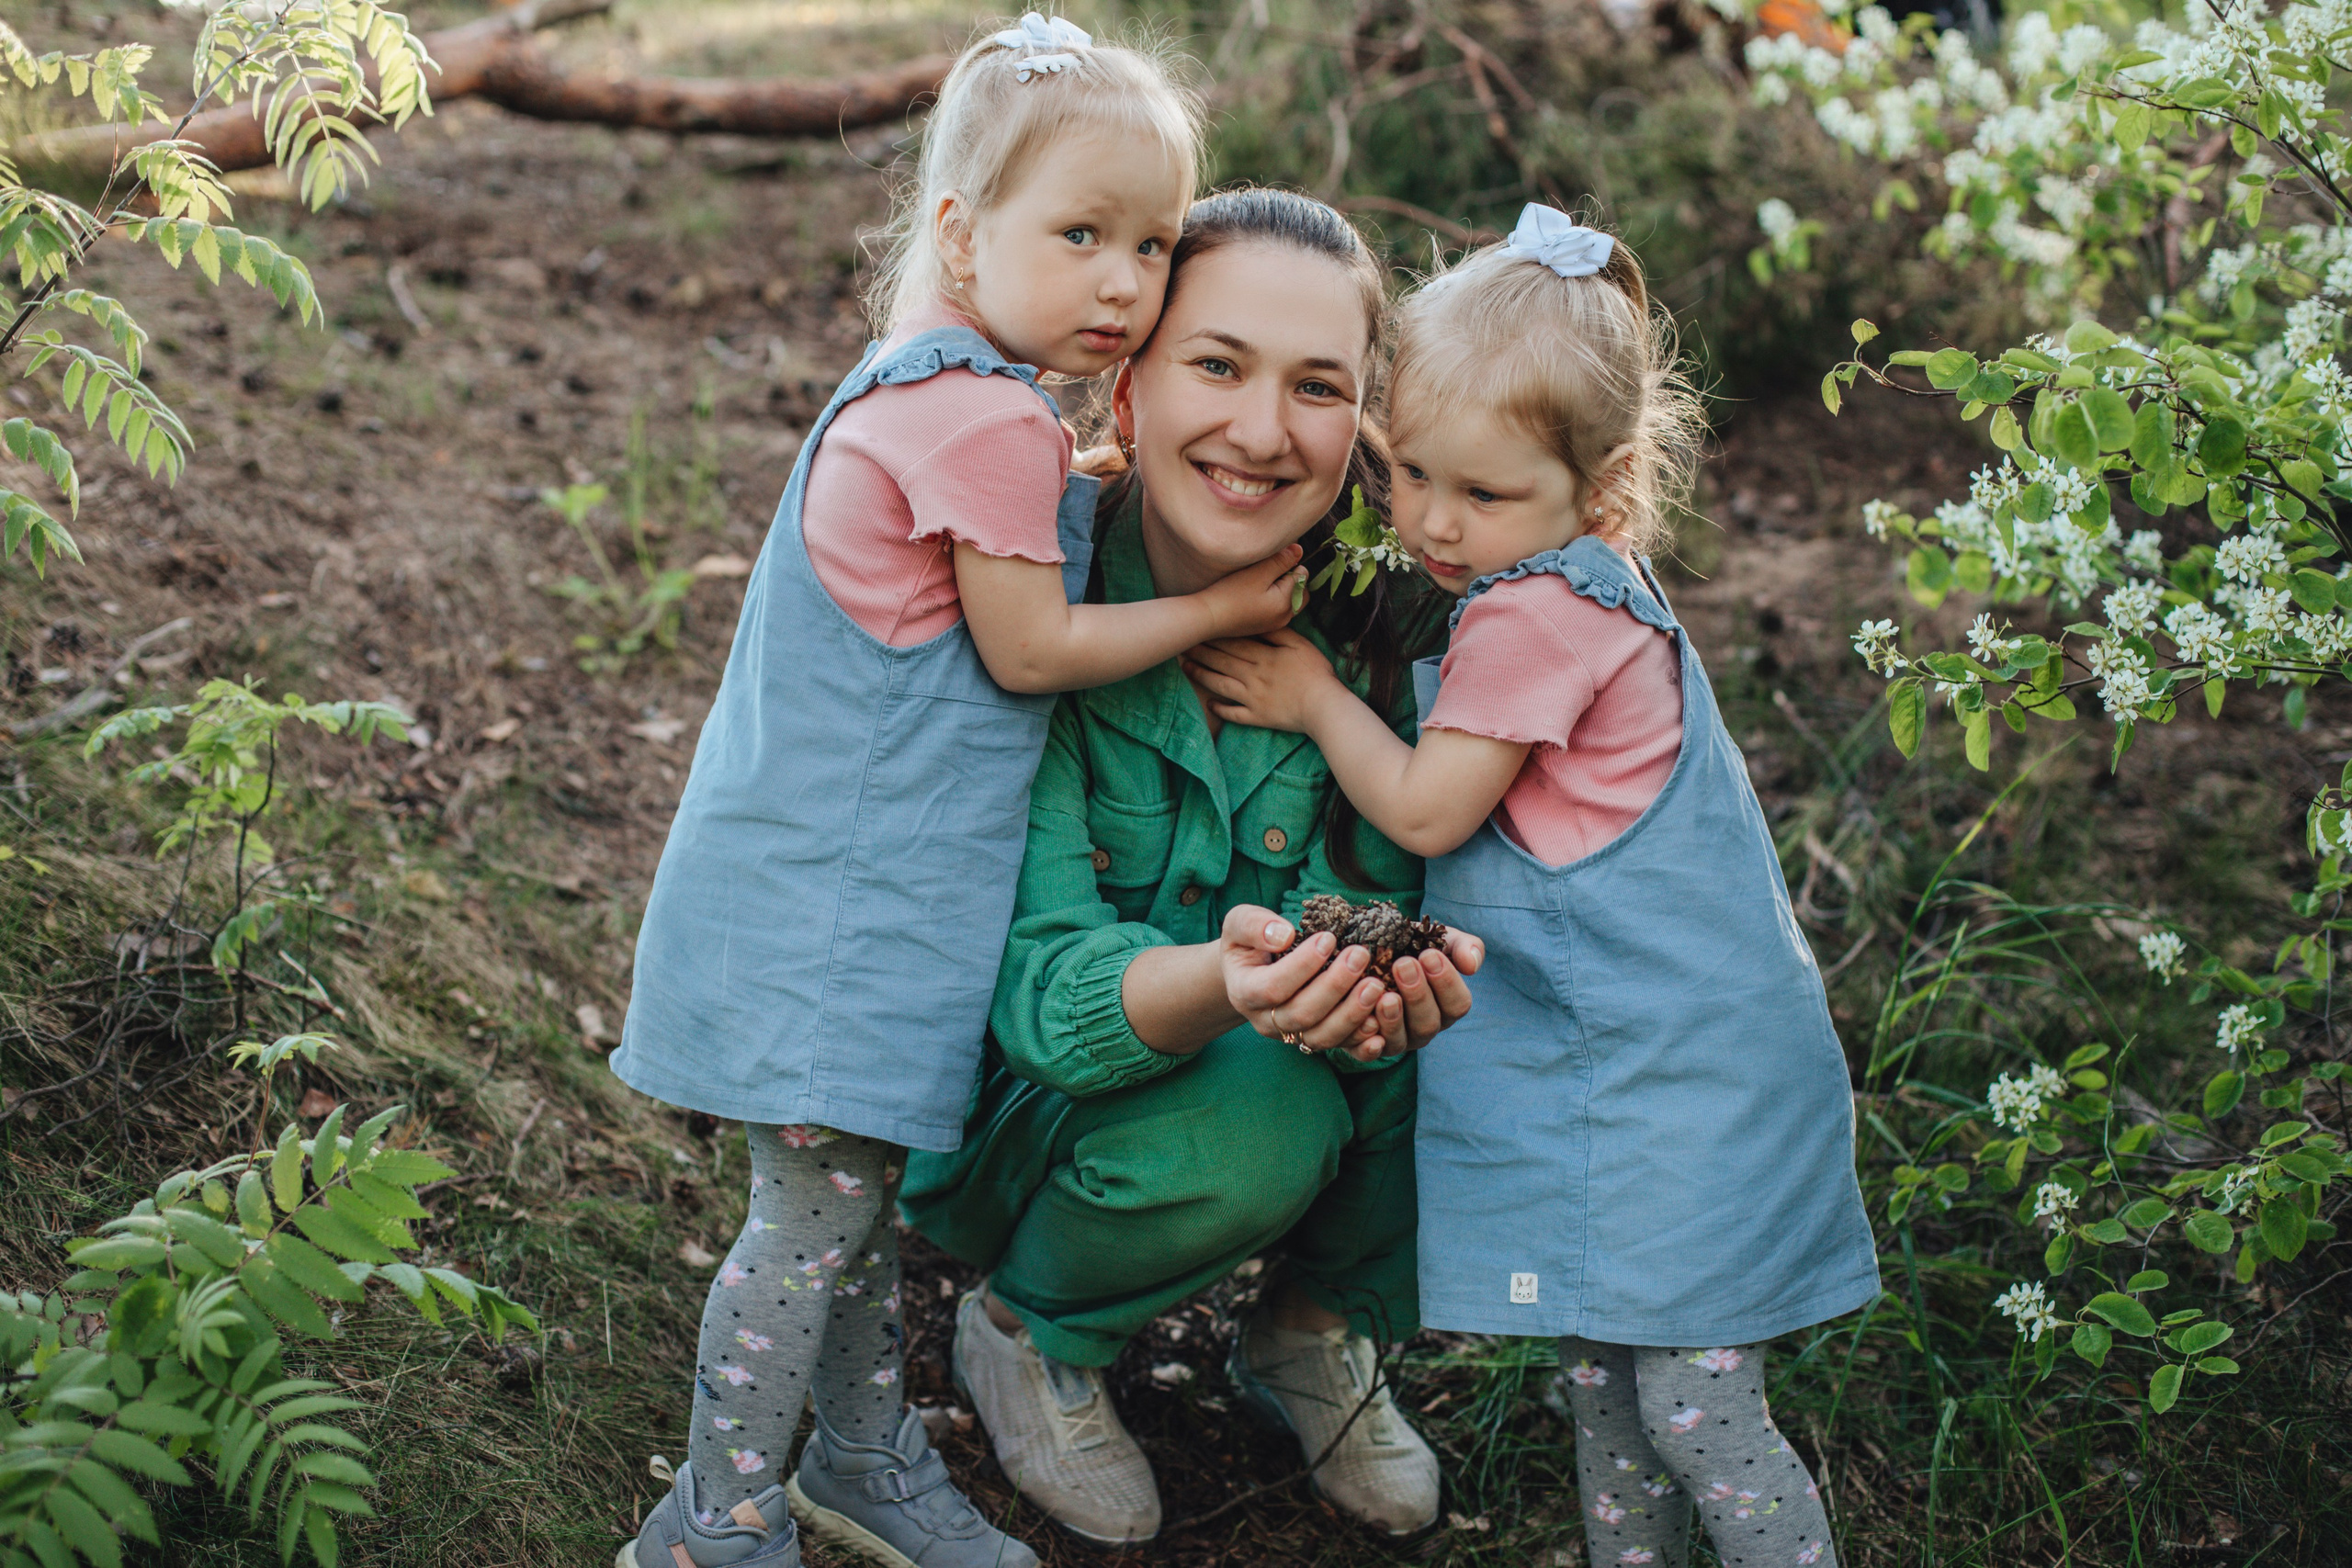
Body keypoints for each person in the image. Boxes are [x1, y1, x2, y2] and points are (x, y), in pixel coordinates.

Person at [610, 19, 1309, 1568]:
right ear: (957, 229)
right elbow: (1033, 640)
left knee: (842, 1215)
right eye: (1082, 236)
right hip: (843, 919)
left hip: (805, 886)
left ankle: (863, 1459)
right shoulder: (990, 419)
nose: (1126, 284)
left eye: (1151, 244)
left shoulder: (923, 383)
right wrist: (1222, 610)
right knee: (804, 1236)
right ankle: (707, 1526)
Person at [1186, 204, 1881, 1568]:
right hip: (1655, 1070)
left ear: (1600, 485)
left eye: (1484, 494)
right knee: (1610, 1389)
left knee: (1690, 1404)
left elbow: (1431, 803)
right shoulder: (1591, 581)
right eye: (1413, 475)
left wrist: (1317, 695)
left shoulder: (1536, 616)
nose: (1436, 524)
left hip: (1671, 1095)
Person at [899, 186, 1487, 1549]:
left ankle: (1313, 1325)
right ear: (1129, 390)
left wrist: (1383, 976)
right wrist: (1234, 979)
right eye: (1217, 366)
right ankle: (1030, 1325)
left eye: (1318, 387)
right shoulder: (1028, 600)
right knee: (1258, 1117)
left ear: (1365, 427)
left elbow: (1414, 867)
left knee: (1479, 988)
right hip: (1041, 1107)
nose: (1263, 431)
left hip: (1306, 1056)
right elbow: (1043, 994)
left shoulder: (1393, 620)